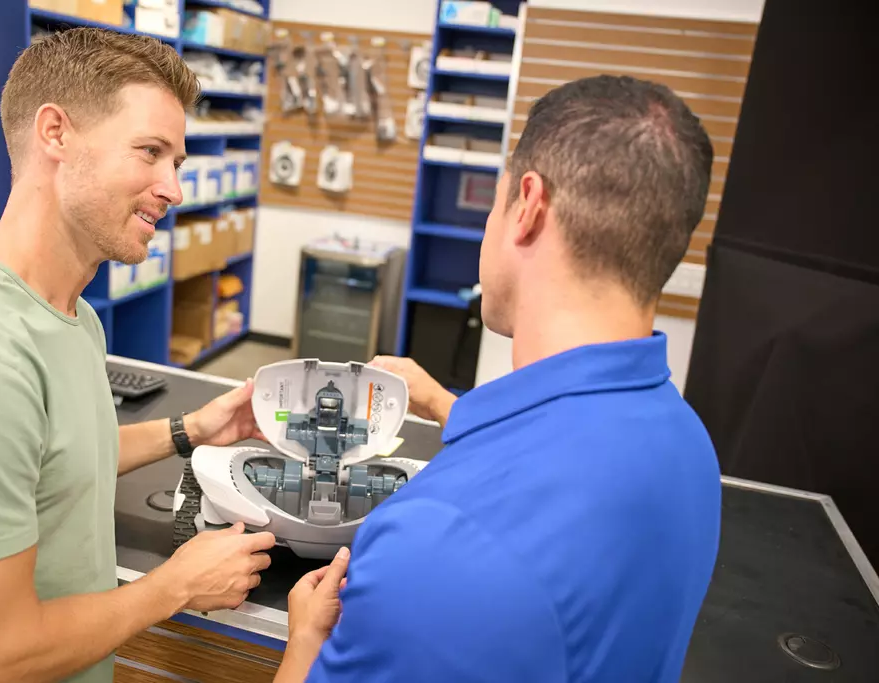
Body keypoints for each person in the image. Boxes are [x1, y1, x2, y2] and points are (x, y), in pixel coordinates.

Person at [0, 28, 277, 683]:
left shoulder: (71, 315)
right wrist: (175, 585)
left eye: (177, 162)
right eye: (150, 152)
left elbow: (57, 455)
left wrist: (191, 429)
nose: (173, 188)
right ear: (55, 133)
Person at [277, 74, 723, 682]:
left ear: (529, 206)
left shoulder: (436, 543)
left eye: (496, 198)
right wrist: (446, 405)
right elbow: (563, 451)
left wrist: (305, 639)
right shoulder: (689, 446)